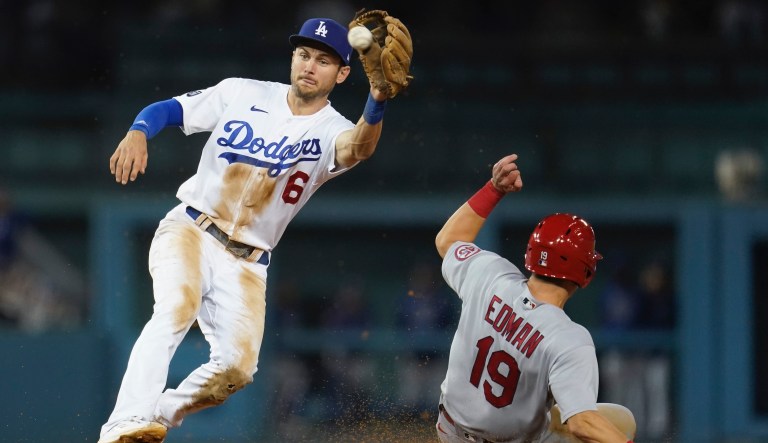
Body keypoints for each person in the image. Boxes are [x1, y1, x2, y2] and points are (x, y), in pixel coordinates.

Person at [98, 17, 392, 443]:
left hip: (248, 262)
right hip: (192, 229)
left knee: (237, 369)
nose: (310, 66)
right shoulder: (243, 92)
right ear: (293, 57)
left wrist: (378, 99)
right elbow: (170, 110)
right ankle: (122, 425)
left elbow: (360, 147)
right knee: (174, 311)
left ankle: (159, 412)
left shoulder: (334, 129)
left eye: (324, 61)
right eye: (304, 54)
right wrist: (139, 131)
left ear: (343, 74)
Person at [433, 154, 636, 443]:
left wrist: (494, 188)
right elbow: (582, 423)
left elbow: (447, 241)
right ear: (586, 272)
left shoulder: (489, 274)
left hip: (449, 431)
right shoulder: (570, 339)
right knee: (618, 422)